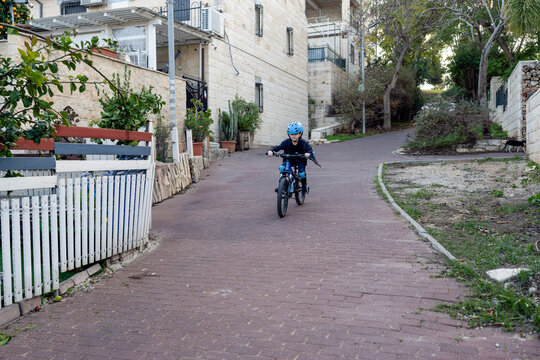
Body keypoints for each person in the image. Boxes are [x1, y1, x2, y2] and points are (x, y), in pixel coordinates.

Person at [267, 121, 314, 195]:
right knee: (282, 168)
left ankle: (304, 186)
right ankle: (282, 186)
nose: (293, 136)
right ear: (289, 134)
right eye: (291, 134)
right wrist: (271, 150)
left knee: (301, 174)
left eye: (295, 134)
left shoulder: (303, 143)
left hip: (300, 160)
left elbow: (309, 149)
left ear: (300, 134)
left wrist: (308, 153)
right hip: (289, 159)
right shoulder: (286, 142)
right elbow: (278, 147)